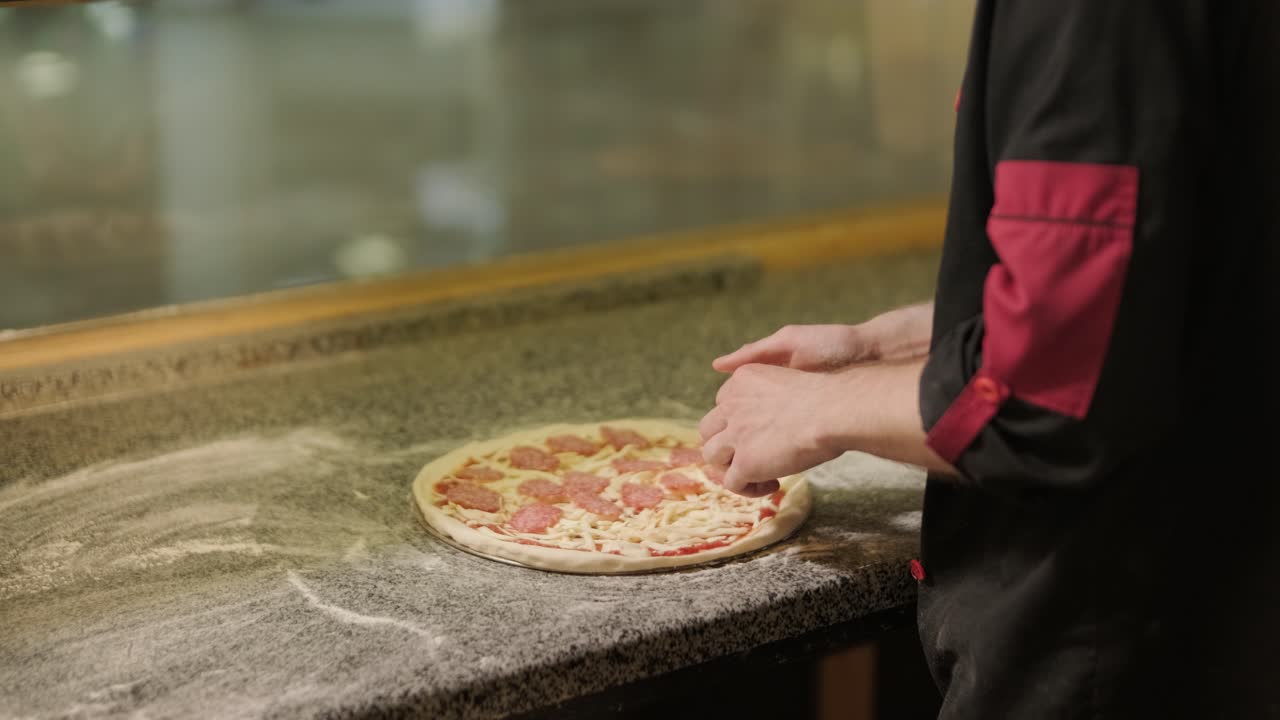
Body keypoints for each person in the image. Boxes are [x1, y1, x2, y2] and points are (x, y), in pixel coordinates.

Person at [700, 1, 1279, 717]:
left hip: (1115, 641)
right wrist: (876, 348)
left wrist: (816, 408)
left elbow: (1046, 392)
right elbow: (1143, 288)